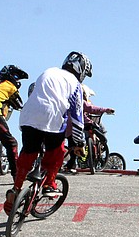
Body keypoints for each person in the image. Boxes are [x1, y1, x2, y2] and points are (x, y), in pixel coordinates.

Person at [6, 52, 91, 214]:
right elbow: (77, 116)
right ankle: (49, 184)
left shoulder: (49, 71)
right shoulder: (75, 84)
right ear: (82, 71)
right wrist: (79, 143)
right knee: (57, 150)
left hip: (28, 116)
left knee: (29, 151)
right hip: (51, 117)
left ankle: (16, 188)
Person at [64, 85, 115, 173]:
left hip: (67, 127)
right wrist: (106, 110)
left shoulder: (69, 100)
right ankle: (70, 166)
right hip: (75, 127)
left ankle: (71, 164)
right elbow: (92, 109)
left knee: (72, 146)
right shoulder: (81, 102)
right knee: (76, 147)